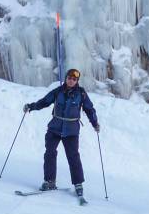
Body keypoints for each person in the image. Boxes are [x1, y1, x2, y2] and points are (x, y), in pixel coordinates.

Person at [23, 68, 99, 199]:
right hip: (55, 128)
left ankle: (78, 184)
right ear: (66, 78)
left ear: (77, 81)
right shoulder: (58, 92)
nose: (71, 81)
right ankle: (49, 181)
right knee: (50, 153)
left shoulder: (81, 94)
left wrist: (95, 123)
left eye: (74, 79)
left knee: (73, 157)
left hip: (71, 131)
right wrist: (31, 106)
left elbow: (89, 109)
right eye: (69, 78)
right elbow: (44, 102)